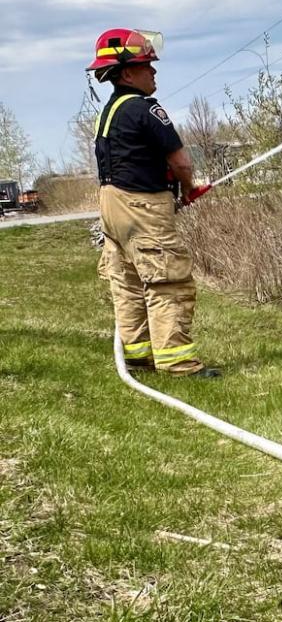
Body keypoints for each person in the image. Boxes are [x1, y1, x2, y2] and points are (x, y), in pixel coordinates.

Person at [87, 28, 218, 378]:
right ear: (127, 73)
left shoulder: (109, 110)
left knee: (127, 283)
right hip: (143, 206)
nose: (154, 72)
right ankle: (179, 363)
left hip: (112, 206)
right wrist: (189, 187)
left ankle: (138, 357)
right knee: (168, 281)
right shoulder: (146, 108)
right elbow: (180, 162)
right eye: (148, 66)